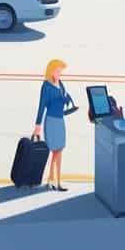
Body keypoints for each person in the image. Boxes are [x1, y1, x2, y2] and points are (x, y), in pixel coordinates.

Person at [33, 58, 76, 191]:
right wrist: (37, 125)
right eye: (58, 71)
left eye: (60, 71)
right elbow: (42, 106)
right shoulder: (46, 86)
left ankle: (52, 180)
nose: (59, 74)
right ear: (51, 71)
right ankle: (58, 182)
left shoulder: (60, 83)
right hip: (51, 121)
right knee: (56, 151)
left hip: (60, 120)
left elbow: (63, 96)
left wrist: (67, 99)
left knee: (58, 151)